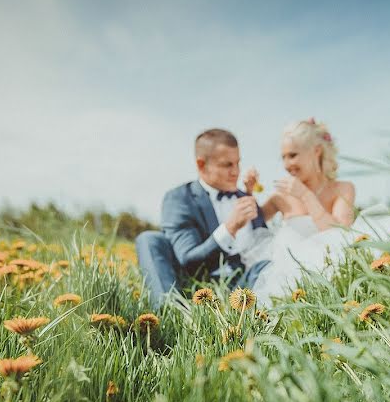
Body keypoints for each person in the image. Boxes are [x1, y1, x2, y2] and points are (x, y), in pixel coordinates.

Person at [136, 129, 269, 307]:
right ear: (201, 164)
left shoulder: (245, 199)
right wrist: (230, 228)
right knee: (149, 239)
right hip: (196, 289)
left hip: (243, 287)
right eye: (227, 165)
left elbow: (263, 244)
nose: (236, 172)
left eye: (238, 163)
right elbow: (189, 259)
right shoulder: (181, 198)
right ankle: (171, 315)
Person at [248, 118, 357, 304]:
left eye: (293, 155)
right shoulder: (280, 195)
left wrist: (306, 196)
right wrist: (248, 193)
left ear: (316, 151)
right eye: (283, 157)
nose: (287, 164)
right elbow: (251, 225)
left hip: (333, 272)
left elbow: (340, 233)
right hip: (286, 281)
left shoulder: (343, 189)